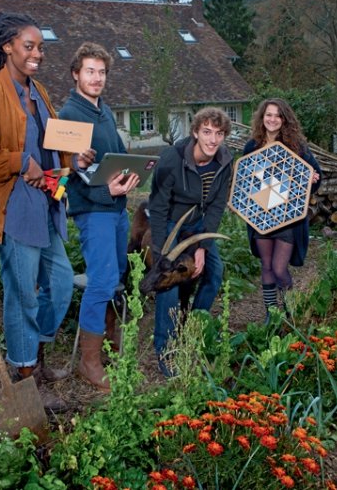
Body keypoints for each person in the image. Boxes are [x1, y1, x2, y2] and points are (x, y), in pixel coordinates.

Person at [0, 12, 94, 411]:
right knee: (22, 297)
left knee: (62, 280)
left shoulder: (38, 92)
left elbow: (53, 145)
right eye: (28, 46)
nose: (36, 54)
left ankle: (33, 351)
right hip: (14, 208)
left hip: (47, 203)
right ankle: (26, 378)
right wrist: (19, 161)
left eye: (40, 48)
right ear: (7, 47)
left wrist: (77, 158)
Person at [58, 42, 140, 392]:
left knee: (116, 277)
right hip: (94, 211)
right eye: (90, 71)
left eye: (102, 72)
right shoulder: (69, 116)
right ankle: (89, 361)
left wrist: (134, 173)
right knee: (102, 281)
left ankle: (111, 341)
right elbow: (70, 172)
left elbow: (116, 158)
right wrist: (110, 191)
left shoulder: (103, 111)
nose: (97, 78)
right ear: (76, 74)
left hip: (117, 209)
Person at [149, 107, 233, 375]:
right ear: (195, 132)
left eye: (218, 133)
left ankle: (193, 327)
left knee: (214, 273)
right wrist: (162, 253)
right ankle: (167, 348)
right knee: (169, 282)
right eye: (206, 132)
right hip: (172, 223)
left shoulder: (224, 161)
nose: (212, 140)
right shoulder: (172, 160)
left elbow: (217, 206)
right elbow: (158, 207)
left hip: (198, 224)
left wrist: (203, 249)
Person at [243, 99, 321, 318]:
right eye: (268, 115)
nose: (272, 119)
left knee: (279, 268)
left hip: (287, 216)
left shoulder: (297, 147)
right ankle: (271, 314)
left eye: (277, 116)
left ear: (284, 120)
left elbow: (315, 176)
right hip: (261, 215)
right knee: (266, 266)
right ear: (262, 117)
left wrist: (313, 179)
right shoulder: (252, 146)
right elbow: (245, 181)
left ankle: (290, 310)